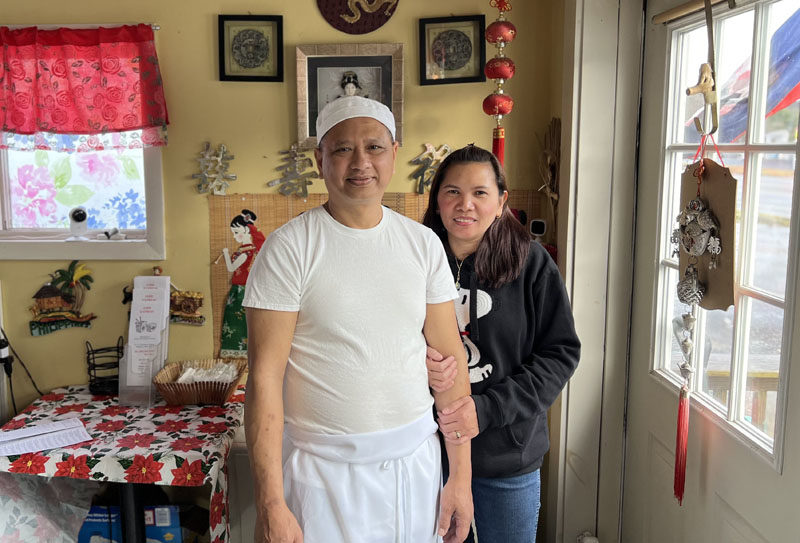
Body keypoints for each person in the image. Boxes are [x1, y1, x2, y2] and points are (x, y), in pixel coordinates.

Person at [242, 96, 473, 543]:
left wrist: (459, 478)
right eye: (343, 148)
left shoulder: (422, 244)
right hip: (322, 475)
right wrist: (271, 503)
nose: (361, 162)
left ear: (394, 152)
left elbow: (450, 365)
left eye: (374, 147)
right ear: (319, 159)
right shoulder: (290, 248)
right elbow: (264, 379)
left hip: (414, 465)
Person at [421, 144, 581, 543]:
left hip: (508, 457)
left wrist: (488, 409)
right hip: (425, 455)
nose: (465, 205)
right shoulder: (415, 258)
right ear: (437, 199)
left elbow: (560, 353)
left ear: (501, 201)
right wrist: (413, 359)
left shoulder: (531, 262)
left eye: (480, 193)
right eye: (452, 191)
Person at [220, 210, 265, 358]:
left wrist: (226, 254)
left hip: (241, 291)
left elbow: (231, 268)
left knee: (237, 322)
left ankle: (241, 352)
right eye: (233, 233)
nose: (235, 236)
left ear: (246, 230)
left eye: (237, 232)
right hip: (245, 289)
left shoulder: (247, 252)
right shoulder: (247, 250)